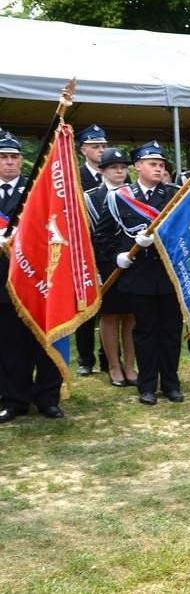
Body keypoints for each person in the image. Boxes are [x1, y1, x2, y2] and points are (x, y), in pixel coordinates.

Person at [110, 141, 184, 405]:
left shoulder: (175, 194)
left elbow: (185, 232)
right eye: (152, 164)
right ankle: (147, 385)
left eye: (161, 164)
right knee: (144, 333)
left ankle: (171, 383)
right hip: (139, 276)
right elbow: (108, 235)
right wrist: (120, 254)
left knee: (170, 332)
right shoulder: (120, 196)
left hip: (169, 276)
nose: (158, 168)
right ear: (138, 166)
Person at [0, 130, 66, 423]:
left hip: (36, 280)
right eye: (3, 157)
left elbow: (50, 228)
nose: (10, 162)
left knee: (44, 341)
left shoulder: (35, 192)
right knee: (10, 345)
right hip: (3, 283)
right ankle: (15, 399)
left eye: (14, 157)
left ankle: (48, 398)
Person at [83, 147, 138, 387]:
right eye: (114, 167)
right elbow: (89, 237)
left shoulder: (135, 194)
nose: (119, 171)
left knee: (131, 315)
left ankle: (130, 365)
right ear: (102, 170)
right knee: (109, 315)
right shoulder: (91, 197)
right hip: (105, 264)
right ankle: (113, 366)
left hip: (133, 262)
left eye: (123, 167)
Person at [74, 124, 109, 376]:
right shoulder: (75, 176)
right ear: (83, 149)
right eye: (95, 146)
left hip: (108, 250)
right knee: (85, 306)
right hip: (83, 248)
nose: (100, 150)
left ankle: (108, 358)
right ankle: (86, 360)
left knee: (112, 308)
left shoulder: (117, 175)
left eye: (103, 146)